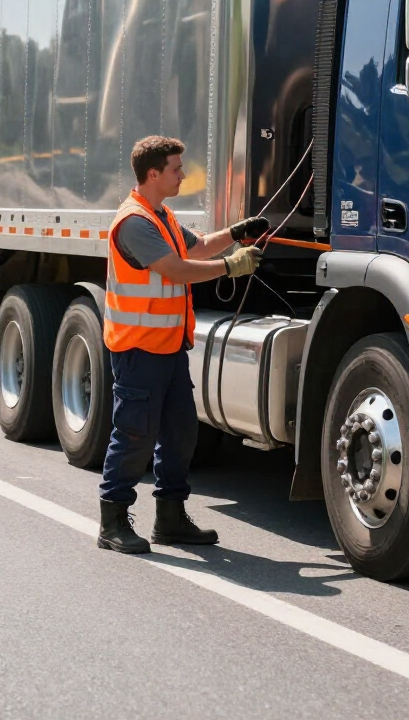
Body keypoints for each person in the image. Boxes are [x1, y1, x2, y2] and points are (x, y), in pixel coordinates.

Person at [98, 135, 268, 554]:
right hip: (138, 349)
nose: (183, 175)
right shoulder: (134, 222)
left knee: (180, 432)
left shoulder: (163, 217)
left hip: (168, 348)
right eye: (176, 168)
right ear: (153, 174)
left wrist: (236, 233)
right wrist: (231, 267)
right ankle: (112, 521)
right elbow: (175, 270)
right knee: (134, 434)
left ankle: (170, 519)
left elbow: (197, 247)